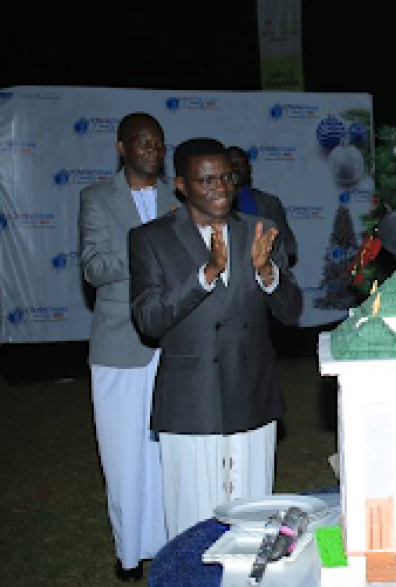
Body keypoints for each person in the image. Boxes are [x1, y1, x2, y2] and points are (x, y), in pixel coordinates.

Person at [129, 138, 302, 537]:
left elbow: (291, 311)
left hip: (251, 394)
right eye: (206, 181)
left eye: (226, 178)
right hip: (191, 401)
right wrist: (204, 276)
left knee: (253, 521)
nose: (220, 189)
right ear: (181, 185)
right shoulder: (150, 239)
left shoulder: (262, 232)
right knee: (194, 523)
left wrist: (267, 273)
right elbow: (149, 320)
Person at [79, 112, 177, 581]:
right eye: (141, 143)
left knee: (163, 454)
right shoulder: (97, 198)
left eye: (157, 143)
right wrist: (148, 246)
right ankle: (128, 554)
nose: (151, 151)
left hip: (173, 342)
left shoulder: (176, 197)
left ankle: (163, 543)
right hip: (119, 343)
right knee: (123, 455)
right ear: (121, 148)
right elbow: (95, 268)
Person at [226, 146, 297, 265]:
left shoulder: (270, 202)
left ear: (250, 169)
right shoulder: (211, 204)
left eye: (240, 163)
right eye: (230, 164)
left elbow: (289, 245)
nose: (235, 168)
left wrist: (269, 257)